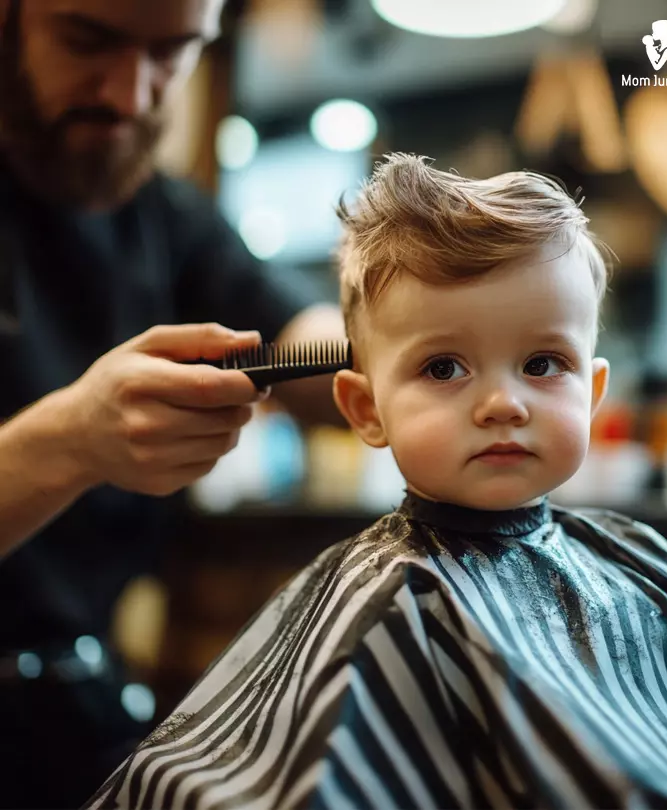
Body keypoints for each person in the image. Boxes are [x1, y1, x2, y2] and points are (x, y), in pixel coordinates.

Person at [85, 154, 667, 810]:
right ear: (365, 410)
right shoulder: (385, 604)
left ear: (590, 394)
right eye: (444, 368)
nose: (503, 403)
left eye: (542, 363)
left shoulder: (641, 564)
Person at [0, 0, 343, 806]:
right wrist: (67, 442)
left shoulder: (168, 218)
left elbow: (307, 340)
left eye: (173, 54)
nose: (130, 94)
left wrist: (420, 342)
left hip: (71, 702)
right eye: (89, 40)